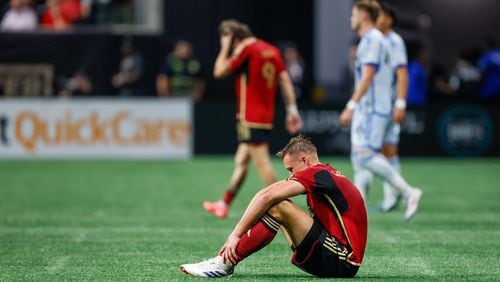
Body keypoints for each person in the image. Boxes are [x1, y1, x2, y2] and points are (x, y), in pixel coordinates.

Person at [180, 136, 367, 278]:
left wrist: (236, 235)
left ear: (304, 160)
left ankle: (225, 262)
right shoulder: (326, 173)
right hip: (333, 255)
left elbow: (266, 195)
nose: (290, 175)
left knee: (277, 205)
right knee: (276, 203)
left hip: (341, 260)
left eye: (291, 169)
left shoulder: (317, 173)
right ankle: (224, 261)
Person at [203, 19, 302, 219]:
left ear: (234, 38)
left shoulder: (246, 49)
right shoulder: (272, 50)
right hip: (264, 116)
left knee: (263, 164)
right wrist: (292, 109)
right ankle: (224, 204)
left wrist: (224, 48)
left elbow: (218, 71)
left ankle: (286, 209)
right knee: (241, 160)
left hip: (250, 118)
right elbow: (285, 81)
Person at [339, 0, 422, 221]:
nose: (351, 18)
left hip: (373, 108)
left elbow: (368, 76)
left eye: (354, 13)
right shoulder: (373, 39)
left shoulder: (374, 40)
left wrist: (351, 105)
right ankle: (360, 206)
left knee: (365, 156)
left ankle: (407, 193)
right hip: (373, 107)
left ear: (364, 15)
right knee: (359, 155)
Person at [374, 2, 409, 212]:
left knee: (376, 152)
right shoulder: (376, 40)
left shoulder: (394, 42)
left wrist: (400, 103)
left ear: (389, 19)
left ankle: (397, 195)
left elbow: (402, 74)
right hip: (379, 105)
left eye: (381, 15)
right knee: (385, 151)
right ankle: (393, 196)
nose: (377, 19)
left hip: (387, 105)